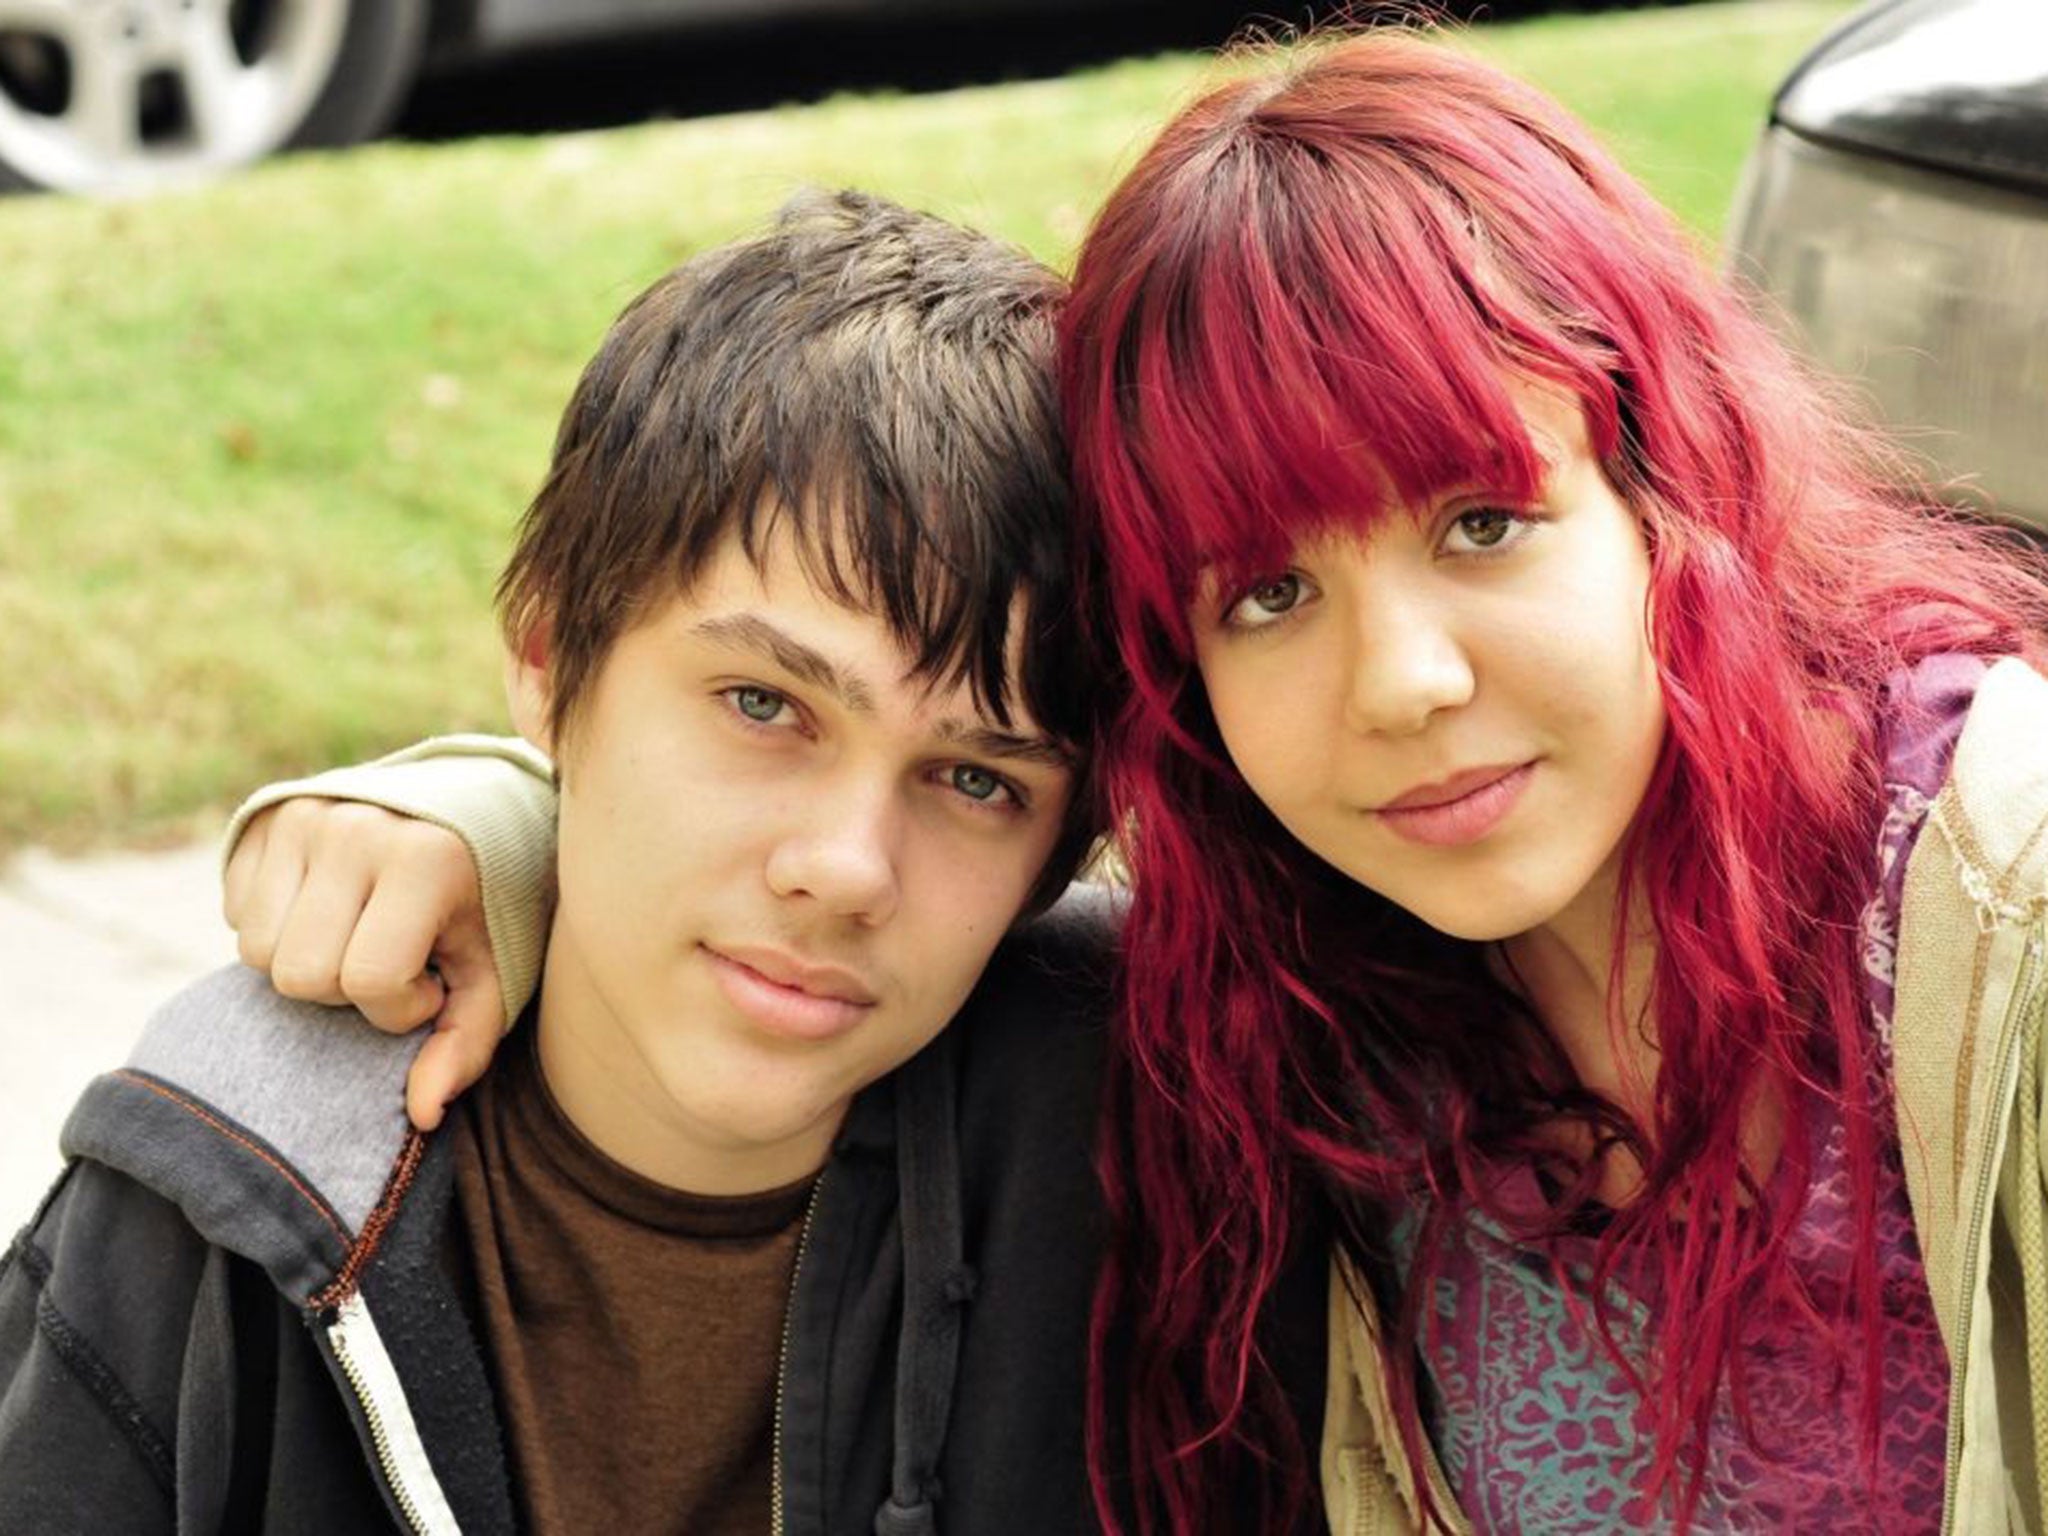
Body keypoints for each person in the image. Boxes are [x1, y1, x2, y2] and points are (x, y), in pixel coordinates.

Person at [202, 26, 2048, 1536]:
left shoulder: (2001, 946)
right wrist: (513, 824)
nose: (1402, 682)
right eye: (1267, 590)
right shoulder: (1304, 1018)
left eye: (1484, 520)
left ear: (1674, 492)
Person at [0, 190, 1340, 1536]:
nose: (845, 868)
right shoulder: (224, 1195)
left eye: (977, 780)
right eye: (764, 706)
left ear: (1061, 851)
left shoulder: (1168, 1155)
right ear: (547, 660)